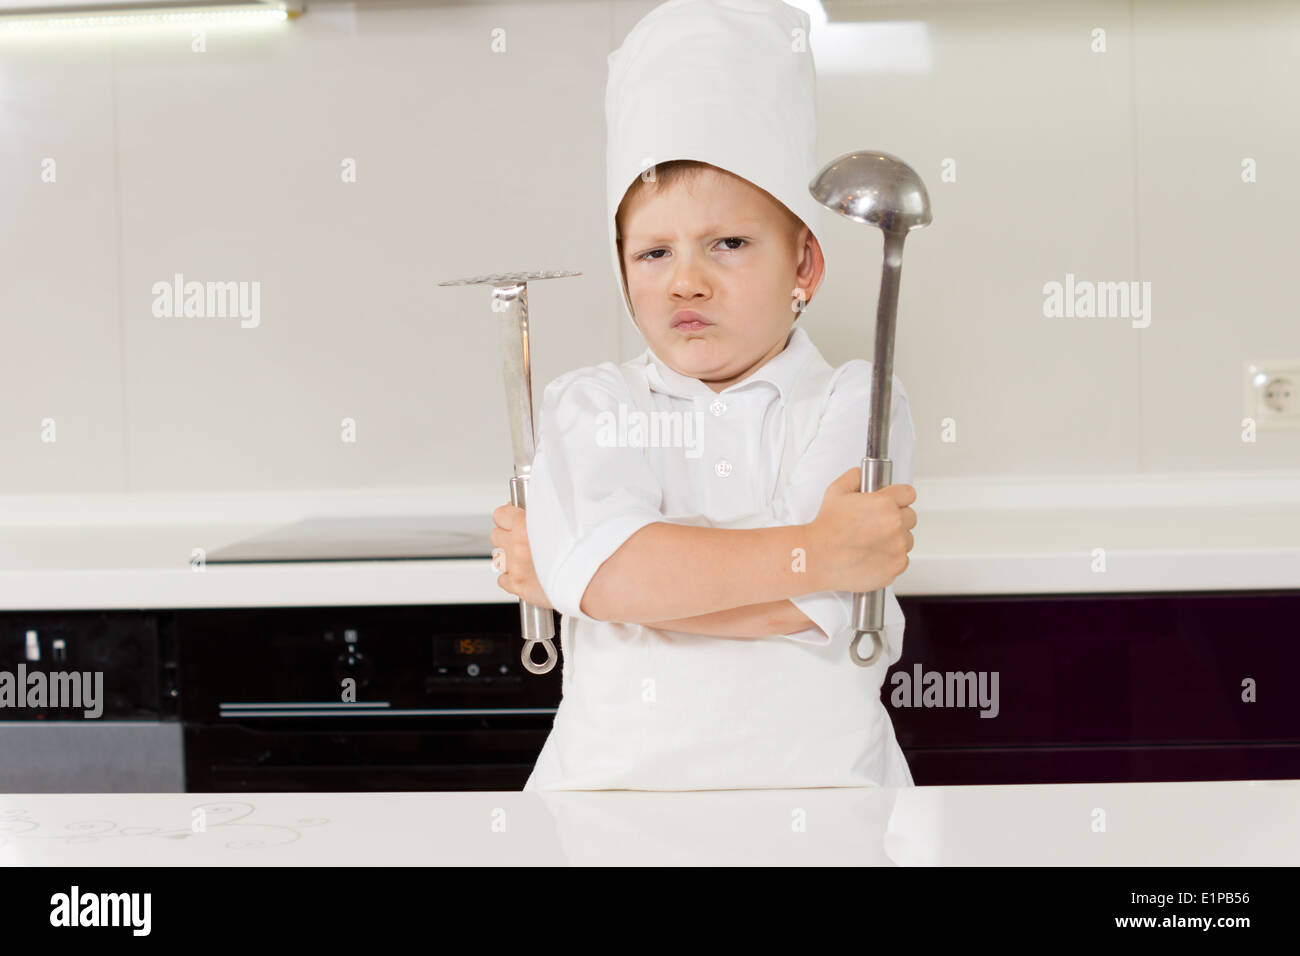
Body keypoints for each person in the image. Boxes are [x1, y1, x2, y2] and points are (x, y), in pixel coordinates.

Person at [490, 0, 918, 790]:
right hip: (605, 823)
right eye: (653, 252)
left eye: (728, 242)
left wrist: (582, 579)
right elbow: (620, 577)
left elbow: (819, 608)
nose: (686, 279)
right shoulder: (588, 404)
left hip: (823, 819)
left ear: (803, 267)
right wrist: (816, 551)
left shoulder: (858, 404)